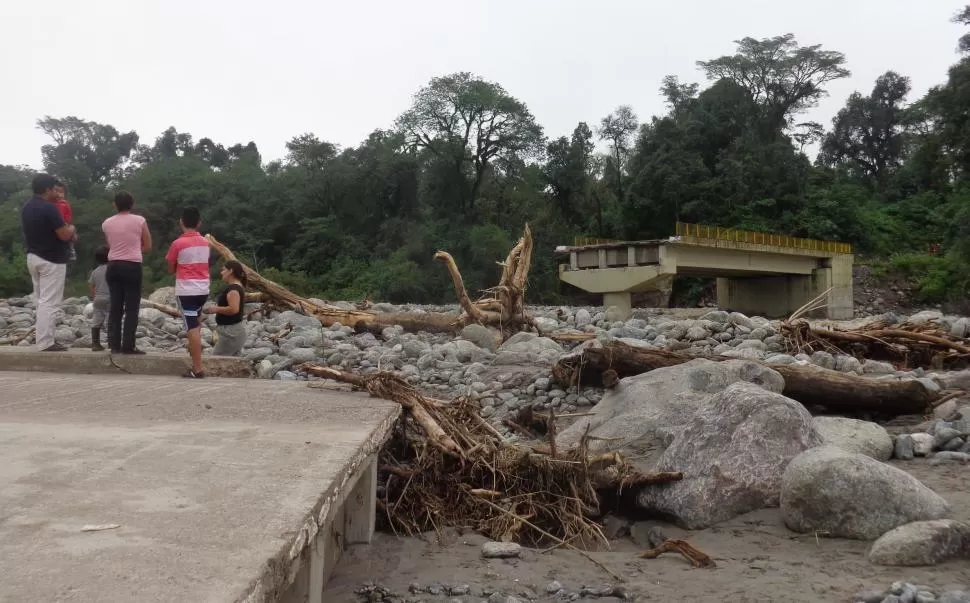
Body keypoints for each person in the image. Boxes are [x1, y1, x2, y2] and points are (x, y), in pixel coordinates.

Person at [21, 173, 75, 351]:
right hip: (51, 259)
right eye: (53, 188)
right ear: (46, 190)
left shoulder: (27, 206)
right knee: (49, 302)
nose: (56, 191)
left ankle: (43, 337)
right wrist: (72, 229)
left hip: (33, 256)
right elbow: (64, 234)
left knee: (40, 300)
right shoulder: (50, 208)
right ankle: (45, 341)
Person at [102, 191, 152, 354]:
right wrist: (135, 251)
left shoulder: (107, 223)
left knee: (115, 305)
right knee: (131, 307)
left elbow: (110, 245)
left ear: (114, 205)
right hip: (132, 265)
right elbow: (148, 245)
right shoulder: (139, 220)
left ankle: (114, 344)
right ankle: (128, 345)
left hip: (113, 265)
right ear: (132, 204)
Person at [166, 207, 210, 378]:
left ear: (181, 222)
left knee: (191, 328)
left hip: (186, 290)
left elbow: (170, 268)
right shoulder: (206, 243)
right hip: (203, 289)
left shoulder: (177, 244)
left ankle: (197, 368)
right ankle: (195, 361)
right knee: (196, 325)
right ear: (199, 223)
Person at [203, 260, 247, 356]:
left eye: (223, 270)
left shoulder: (233, 289)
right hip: (235, 331)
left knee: (215, 361)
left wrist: (216, 309)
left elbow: (234, 309)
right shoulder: (238, 287)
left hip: (231, 333)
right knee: (232, 362)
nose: (221, 272)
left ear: (230, 271)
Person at [88, 245, 110, 351]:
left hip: (98, 298)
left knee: (97, 321)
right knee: (111, 320)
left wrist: (94, 296)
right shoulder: (112, 269)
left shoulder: (95, 271)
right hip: (110, 298)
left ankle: (95, 344)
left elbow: (91, 285)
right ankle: (112, 343)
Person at [52, 182, 77, 262]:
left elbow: (66, 219)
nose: (60, 195)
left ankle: (71, 252)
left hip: (66, 227)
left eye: (62, 192)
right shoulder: (56, 204)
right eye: (57, 191)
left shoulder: (63, 204)